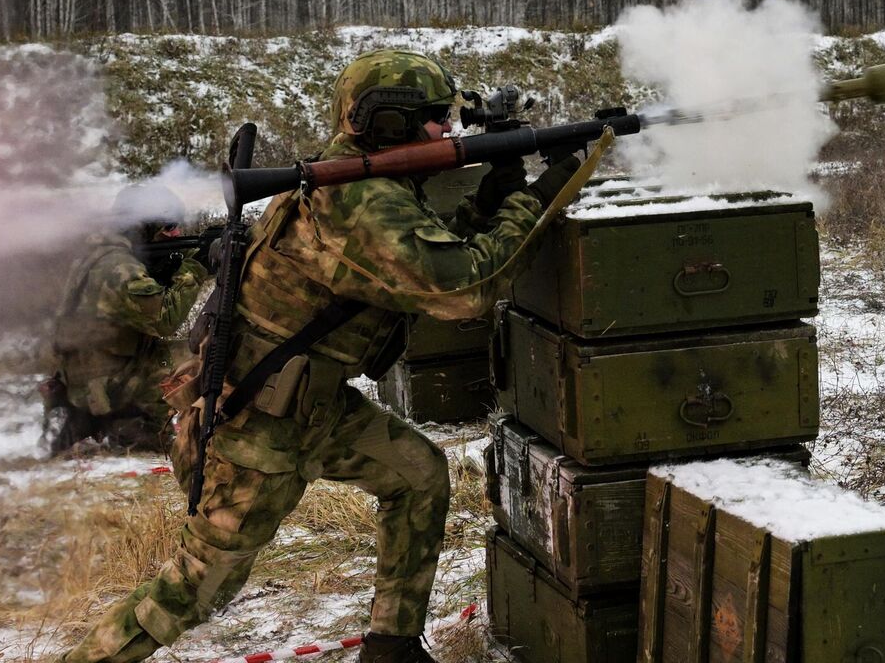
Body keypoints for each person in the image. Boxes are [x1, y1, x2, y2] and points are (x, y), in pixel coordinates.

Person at [58, 49, 581, 663]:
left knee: (417, 475)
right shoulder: (360, 199)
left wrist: (491, 197)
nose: (449, 130)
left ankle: (391, 647)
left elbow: (420, 257)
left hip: (313, 407)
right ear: (392, 123)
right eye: (438, 117)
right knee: (196, 589)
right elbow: (460, 291)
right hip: (258, 426)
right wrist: (534, 197)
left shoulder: (360, 182)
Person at [43, 183, 212, 456]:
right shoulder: (120, 267)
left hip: (86, 380)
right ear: (142, 227)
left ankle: (113, 422)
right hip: (106, 389)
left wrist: (185, 261)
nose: (177, 233)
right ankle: (139, 428)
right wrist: (195, 268)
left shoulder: (101, 254)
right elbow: (164, 320)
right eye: (168, 227)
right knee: (208, 352)